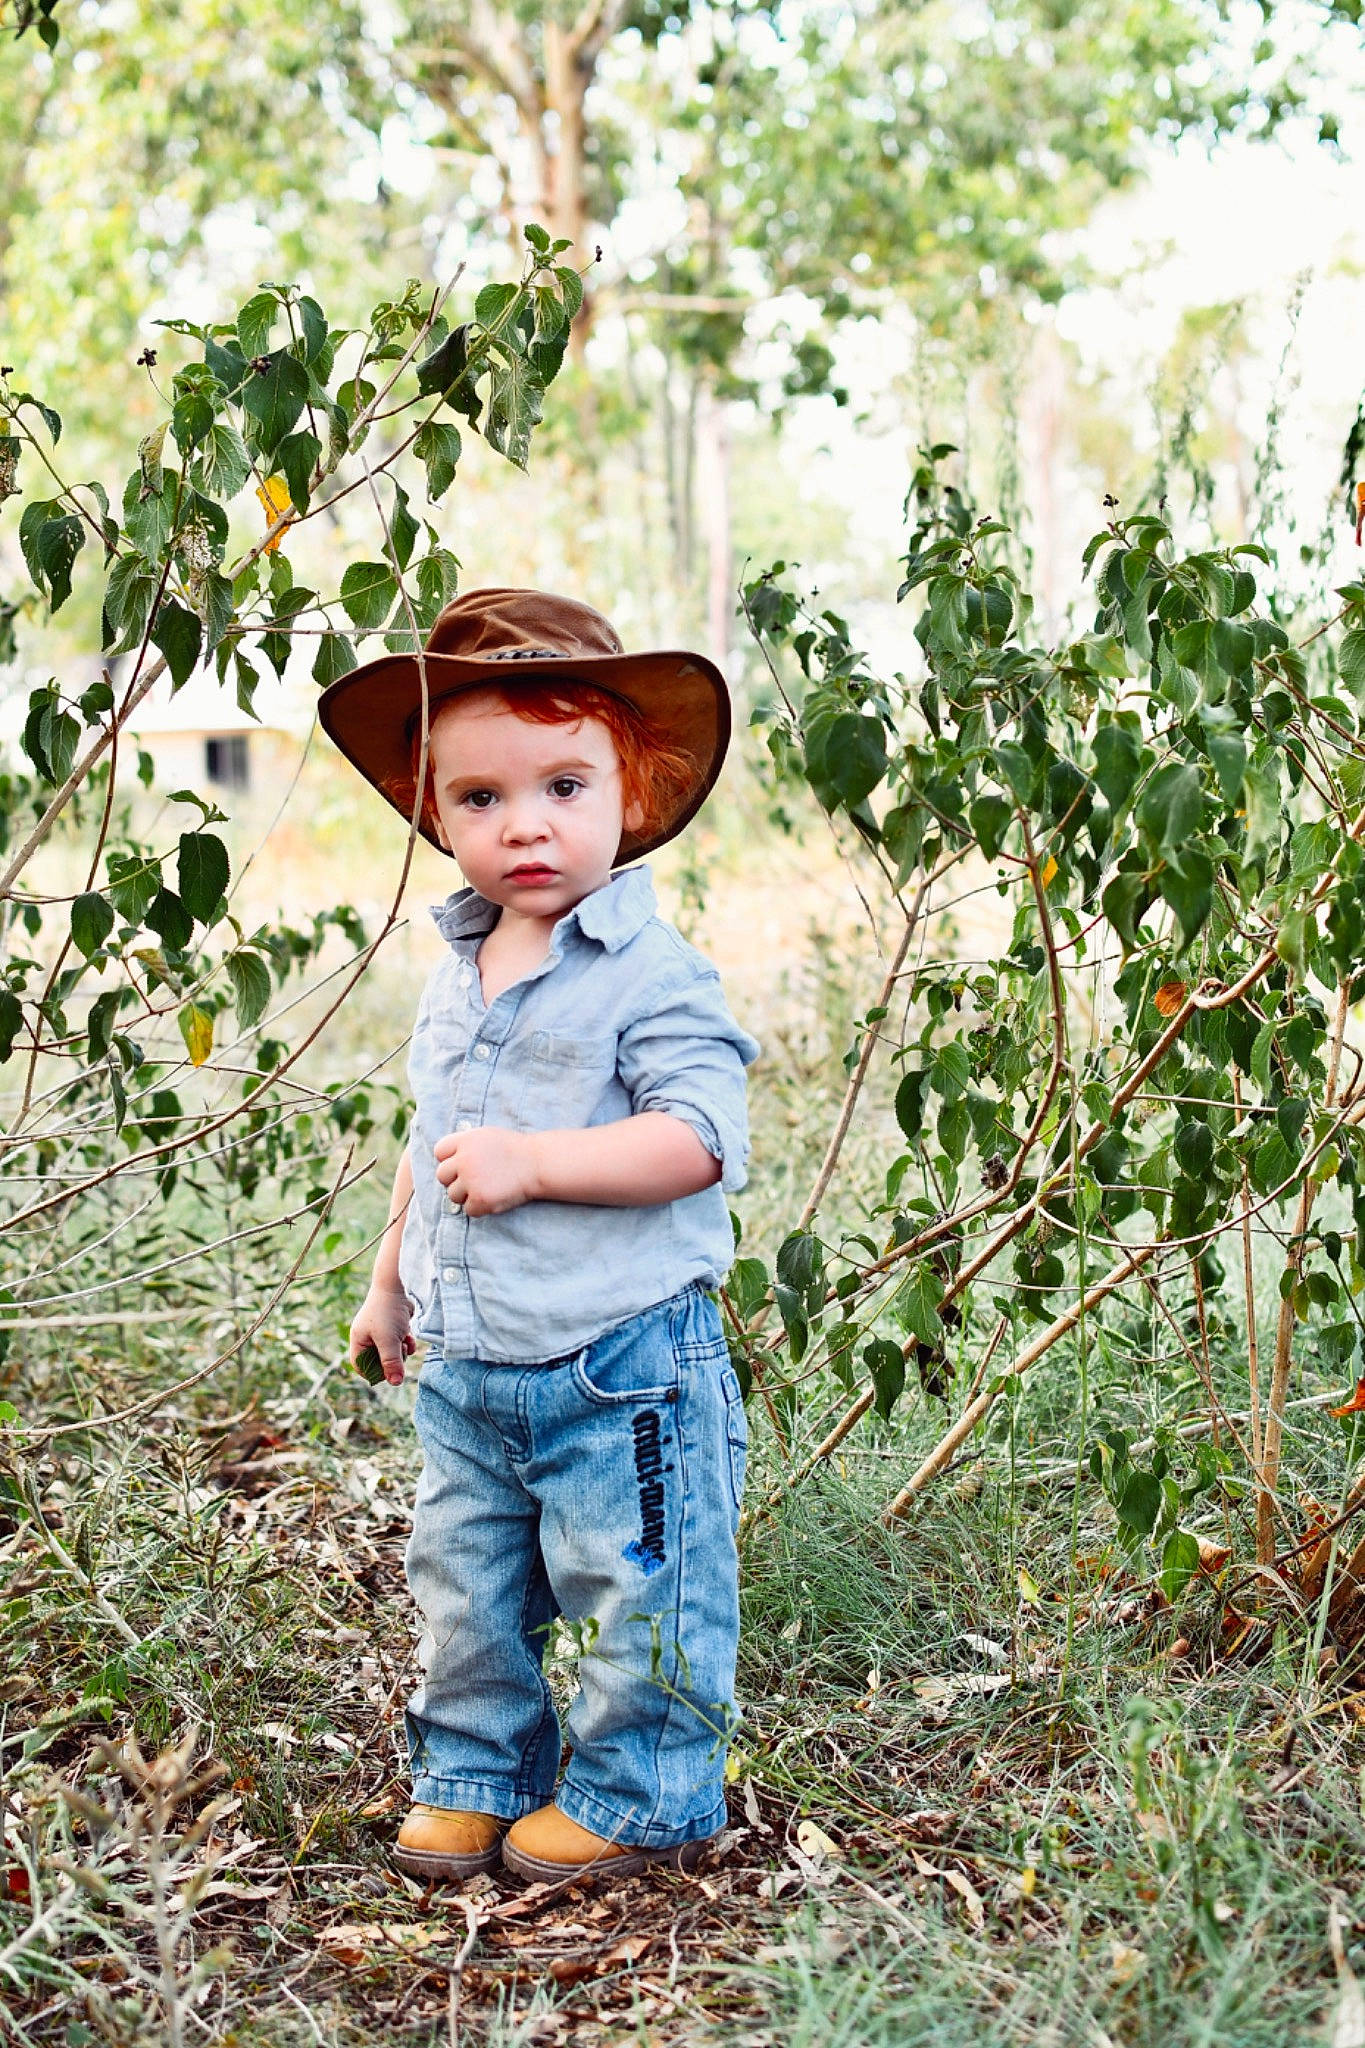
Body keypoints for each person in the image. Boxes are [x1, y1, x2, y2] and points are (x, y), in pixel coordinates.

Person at [318, 587, 760, 1885]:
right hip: (468, 1363)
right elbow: (432, 1137)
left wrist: (538, 1164)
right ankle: (474, 1773)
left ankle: (645, 1791)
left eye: (564, 786)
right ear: (434, 811)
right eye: (480, 800)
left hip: (618, 1356)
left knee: (643, 1583)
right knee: (463, 1585)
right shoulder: (460, 963)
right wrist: (391, 1275)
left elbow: (699, 1138)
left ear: (632, 786)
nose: (524, 826)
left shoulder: (651, 970)